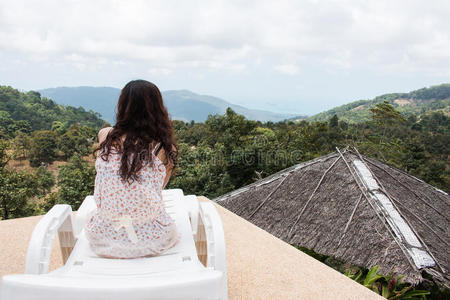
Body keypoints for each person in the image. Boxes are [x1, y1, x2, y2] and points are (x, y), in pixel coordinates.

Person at [85, 79, 180, 259]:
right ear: (158, 108)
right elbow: (157, 189)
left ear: (123, 106)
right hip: (150, 240)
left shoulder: (105, 135)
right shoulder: (164, 148)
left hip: (104, 237)